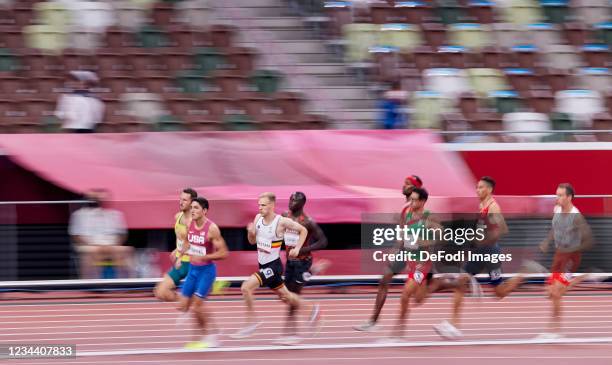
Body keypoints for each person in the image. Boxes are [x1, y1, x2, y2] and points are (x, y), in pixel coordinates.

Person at [434, 176, 527, 339]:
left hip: (491, 253)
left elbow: (500, 231)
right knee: (461, 281)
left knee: (499, 292)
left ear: (490, 189)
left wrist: (480, 240)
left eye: (481, 187)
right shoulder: (482, 205)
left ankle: (522, 275)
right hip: (479, 252)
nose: (478, 190)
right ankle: (453, 326)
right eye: (477, 187)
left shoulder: (493, 207)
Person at [231, 192, 320, 341]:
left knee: (246, 287)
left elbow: (303, 230)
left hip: (273, 266)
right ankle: (312, 310)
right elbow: (252, 241)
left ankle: (252, 322)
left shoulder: (282, 222)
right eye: (259, 205)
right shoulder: (258, 218)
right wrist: (251, 233)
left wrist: (298, 248)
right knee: (287, 296)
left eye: (263, 205)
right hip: (263, 265)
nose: (260, 208)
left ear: (272, 205)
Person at [354, 175, 423, 331]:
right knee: (385, 280)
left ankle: (454, 283)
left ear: (414, 188)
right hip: (407, 251)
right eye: (404, 182)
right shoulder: (406, 207)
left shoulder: (412, 208)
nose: (403, 185)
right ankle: (373, 322)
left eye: (407, 184)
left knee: (420, 295)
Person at [537, 183, 593, 339]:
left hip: (570, 256)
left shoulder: (576, 216)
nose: (557, 198)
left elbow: (589, 239)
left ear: (569, 197)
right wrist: (547, 241)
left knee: (556, 293)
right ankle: (580, 278)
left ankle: (554, 330)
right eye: (557, 195)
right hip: (558, 254)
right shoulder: (556, 209)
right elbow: (554, 228)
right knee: (550, 293)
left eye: (561, 195)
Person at [176, 197, 229, 349]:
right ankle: (211, 329)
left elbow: (224, 253)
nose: (192, 210)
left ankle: (211, 337)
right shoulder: (189, 223)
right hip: (193, 270)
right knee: (182, 305)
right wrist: (180, 256)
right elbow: (187, 242)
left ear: (204, 211)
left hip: (206, 271)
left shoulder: (212, 229)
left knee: (197, 306)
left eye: (196, 208)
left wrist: (205, 256)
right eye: (191, 207)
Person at [388, 187, 440, 340]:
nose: (411, 202)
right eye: (411, 199)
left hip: (422, 263)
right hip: (411, 260)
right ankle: (439, 284)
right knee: (418, 299)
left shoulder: (429, 217)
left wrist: (423, 241)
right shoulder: (407, 212)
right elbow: (403, 233)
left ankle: (398, 331)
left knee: (405, 295)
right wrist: (396, 249)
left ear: (423, 201)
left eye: (415, 199)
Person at [282, 191, 329, 342]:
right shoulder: (285, 216)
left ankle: (291, 333)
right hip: (289, 261)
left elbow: (323, 242)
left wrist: (302, 249)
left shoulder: (308, 221)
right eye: (290, 199)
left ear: (302, 204)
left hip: (302, 262)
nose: (291, 202)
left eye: (295, 200)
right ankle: (312, 272)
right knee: (287, 296)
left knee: (293, 295)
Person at [68, 188, 133, 278]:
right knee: (89, 252)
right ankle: (89, 283)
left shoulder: (115, 214)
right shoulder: (79, 215)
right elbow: (75, 235)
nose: (98, 200)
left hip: (111, 245)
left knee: (126, 250)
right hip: (89, 245)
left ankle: (127, 283)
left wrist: (112, 245)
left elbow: (122, 234)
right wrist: (94, 245)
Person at [154, 188, 198, 302]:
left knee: (198, 307)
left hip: (192, 264)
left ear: (192, 202)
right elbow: (181, 238)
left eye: (184, 200)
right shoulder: (177, 216)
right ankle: (187, 300)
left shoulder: (194, 222)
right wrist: (176, 249)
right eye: (180, 199)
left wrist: (180, 255)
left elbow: (194, 242)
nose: (181, 202)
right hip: (181, 263)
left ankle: (191, 300)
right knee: (160, 292)